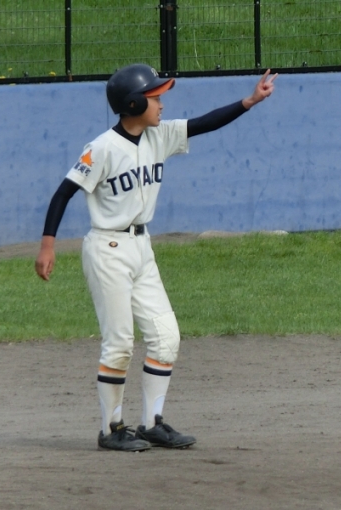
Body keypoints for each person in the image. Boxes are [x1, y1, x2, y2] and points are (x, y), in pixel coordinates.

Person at [34, 64, 277, 452]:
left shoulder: (158, 136)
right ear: (133, 104)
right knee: (120, 343)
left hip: (142, 248)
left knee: (166, 337)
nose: (162, 104)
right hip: (107, 250)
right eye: (155, 97)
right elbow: (63, 193)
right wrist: (48, 245)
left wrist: (250, 101)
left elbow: (204, 123)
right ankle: (111, 429)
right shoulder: (102, 148)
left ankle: (152, 424)